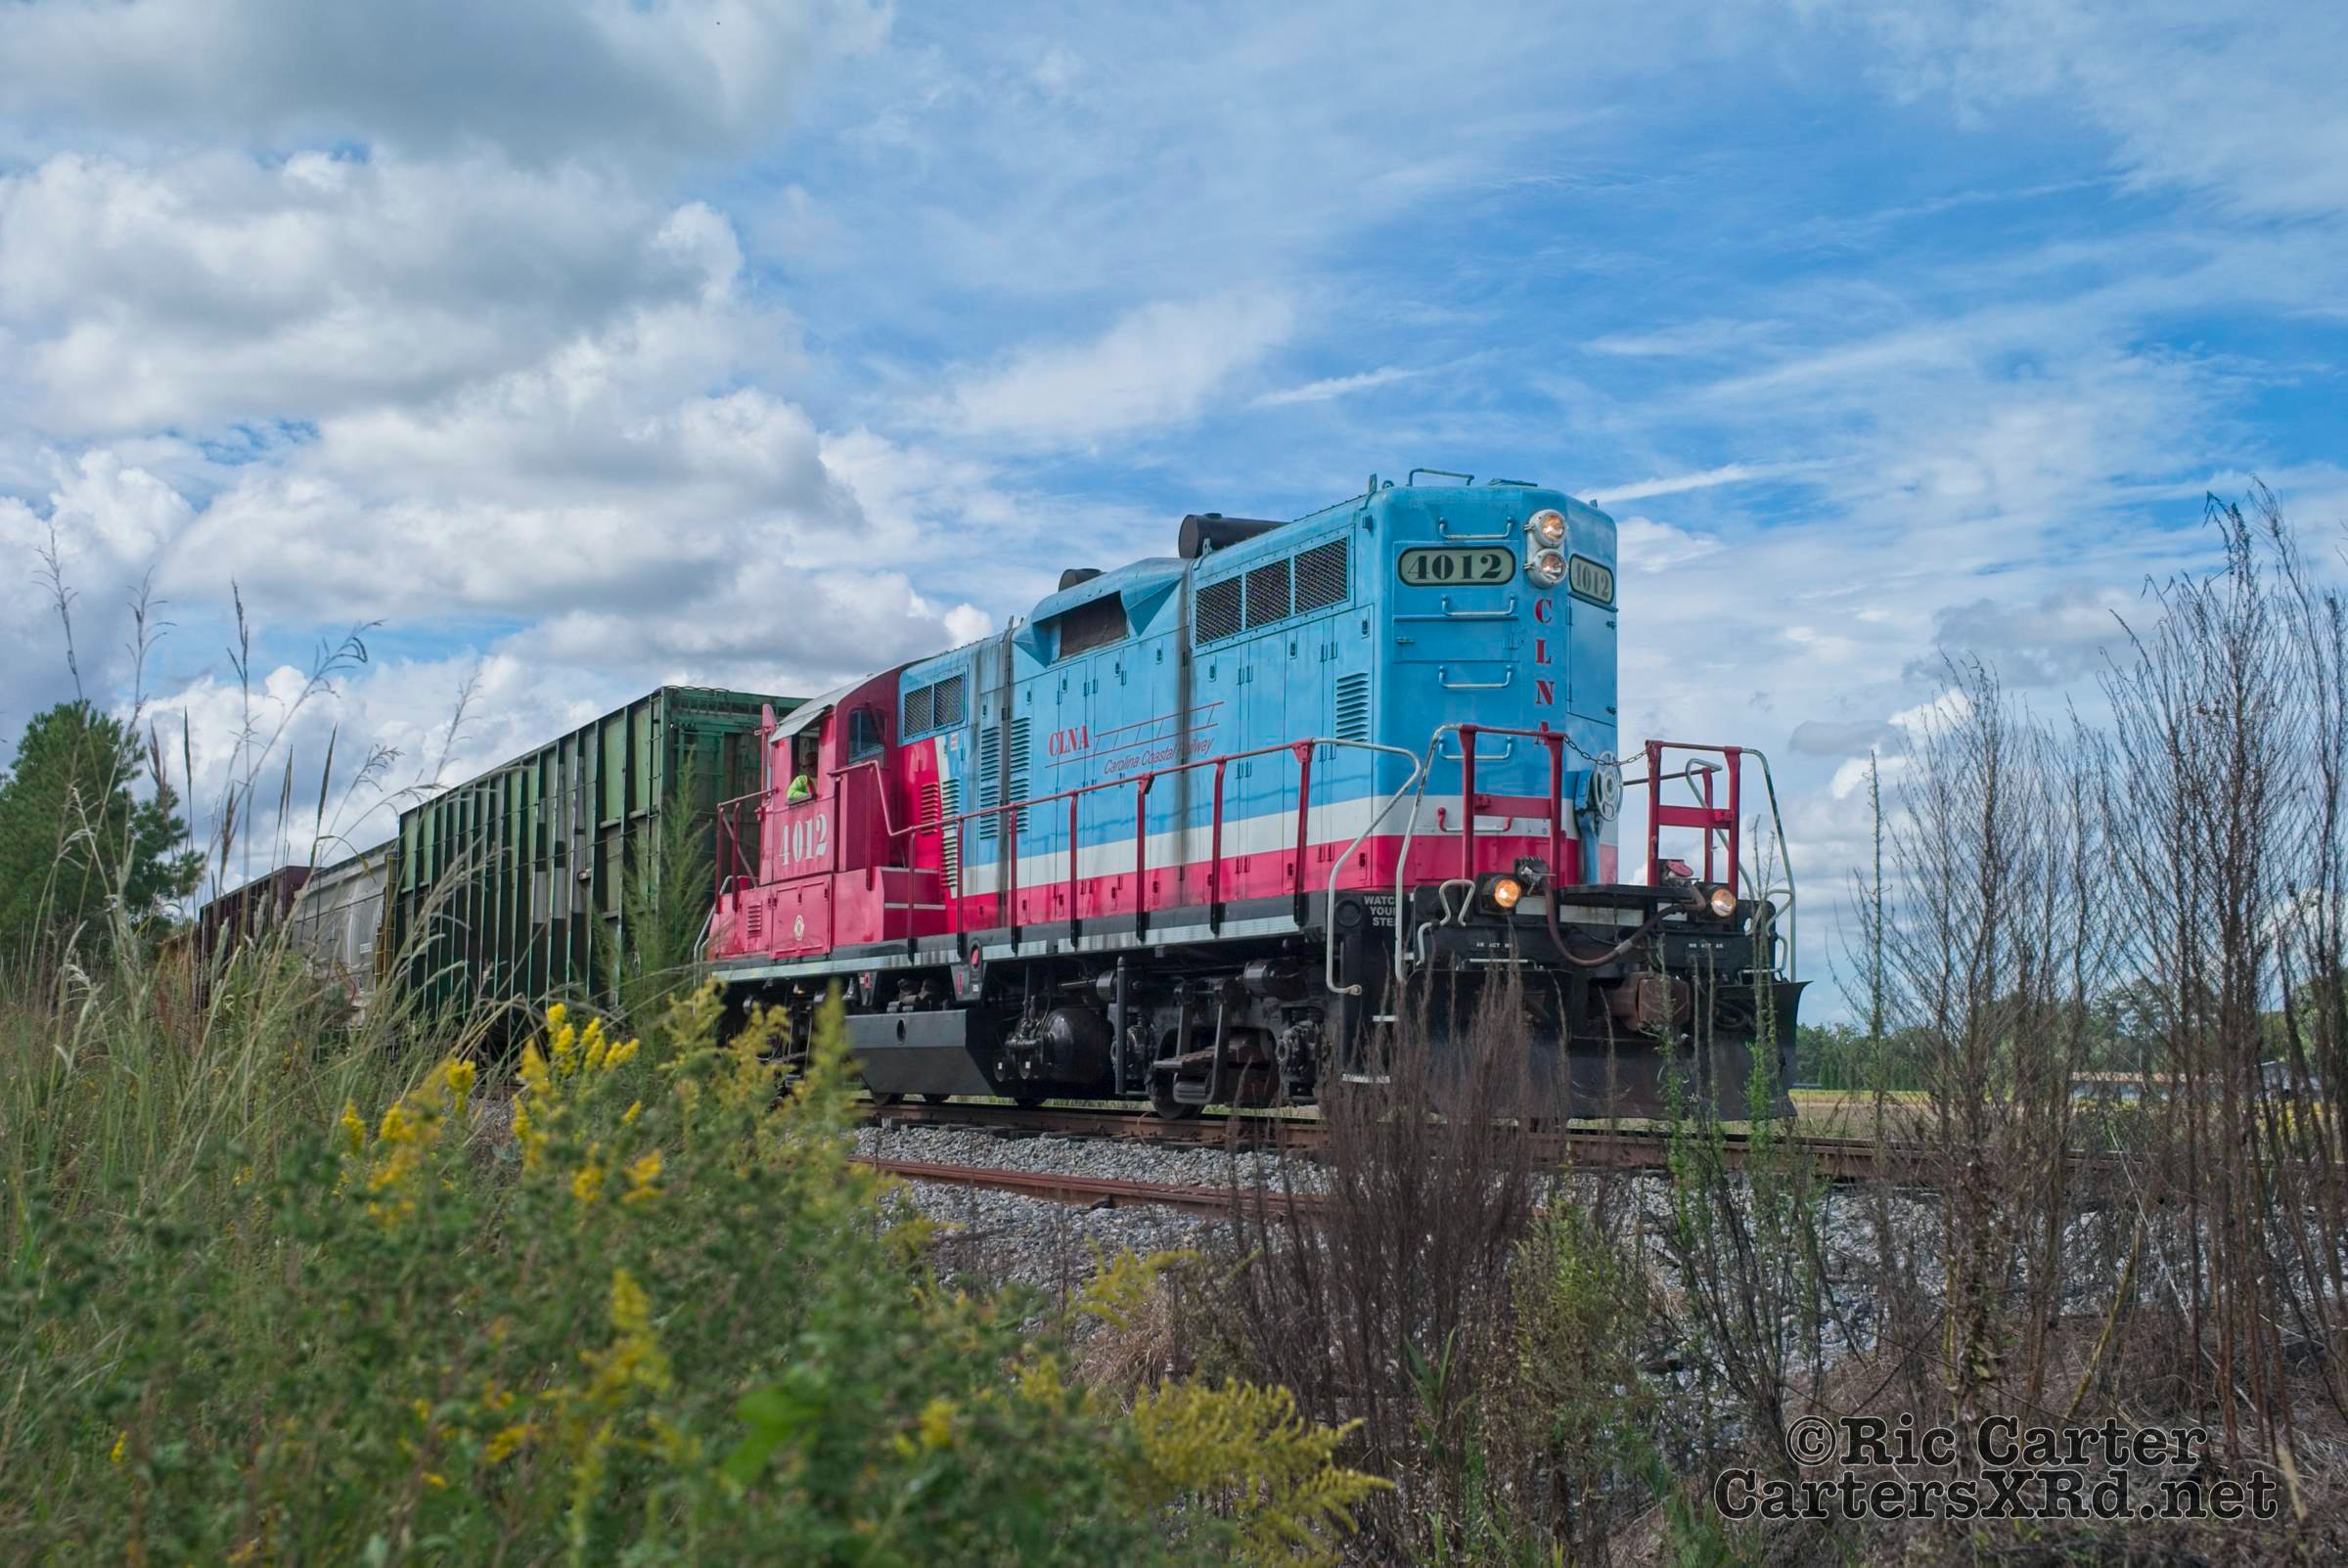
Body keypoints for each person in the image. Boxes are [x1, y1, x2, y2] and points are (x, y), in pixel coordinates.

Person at [785, 735, 816, 803]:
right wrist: (808, 796)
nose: (807, 769)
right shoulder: (802, 779)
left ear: (818, 763)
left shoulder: (827, 779)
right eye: (805, 766)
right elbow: (791, 794)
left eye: (811, 765)